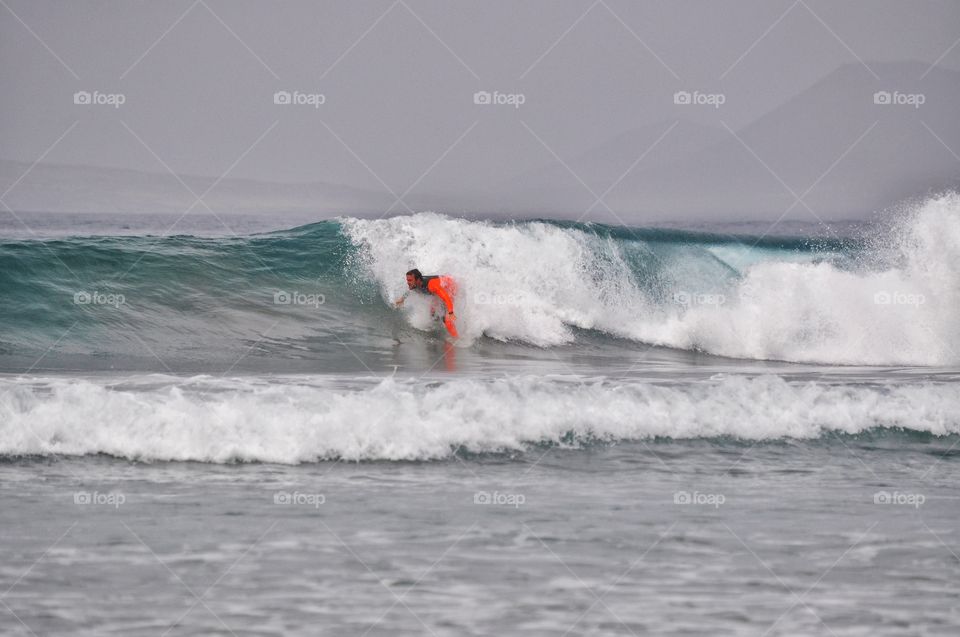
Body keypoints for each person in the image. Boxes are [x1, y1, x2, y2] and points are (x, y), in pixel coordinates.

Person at [395, 268, 459, 338]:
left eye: (410, 280)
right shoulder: (415, 284)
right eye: (407, 280)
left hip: (450, 287)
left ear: (418, 280)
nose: (408, 282)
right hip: (438, 290)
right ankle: (439, 328)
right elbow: (410, 290)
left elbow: (446, 298)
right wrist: (402, 299)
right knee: (432, 313)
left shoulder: (432, 285)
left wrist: (451, 312)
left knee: (446, 319)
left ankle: (456, 337)